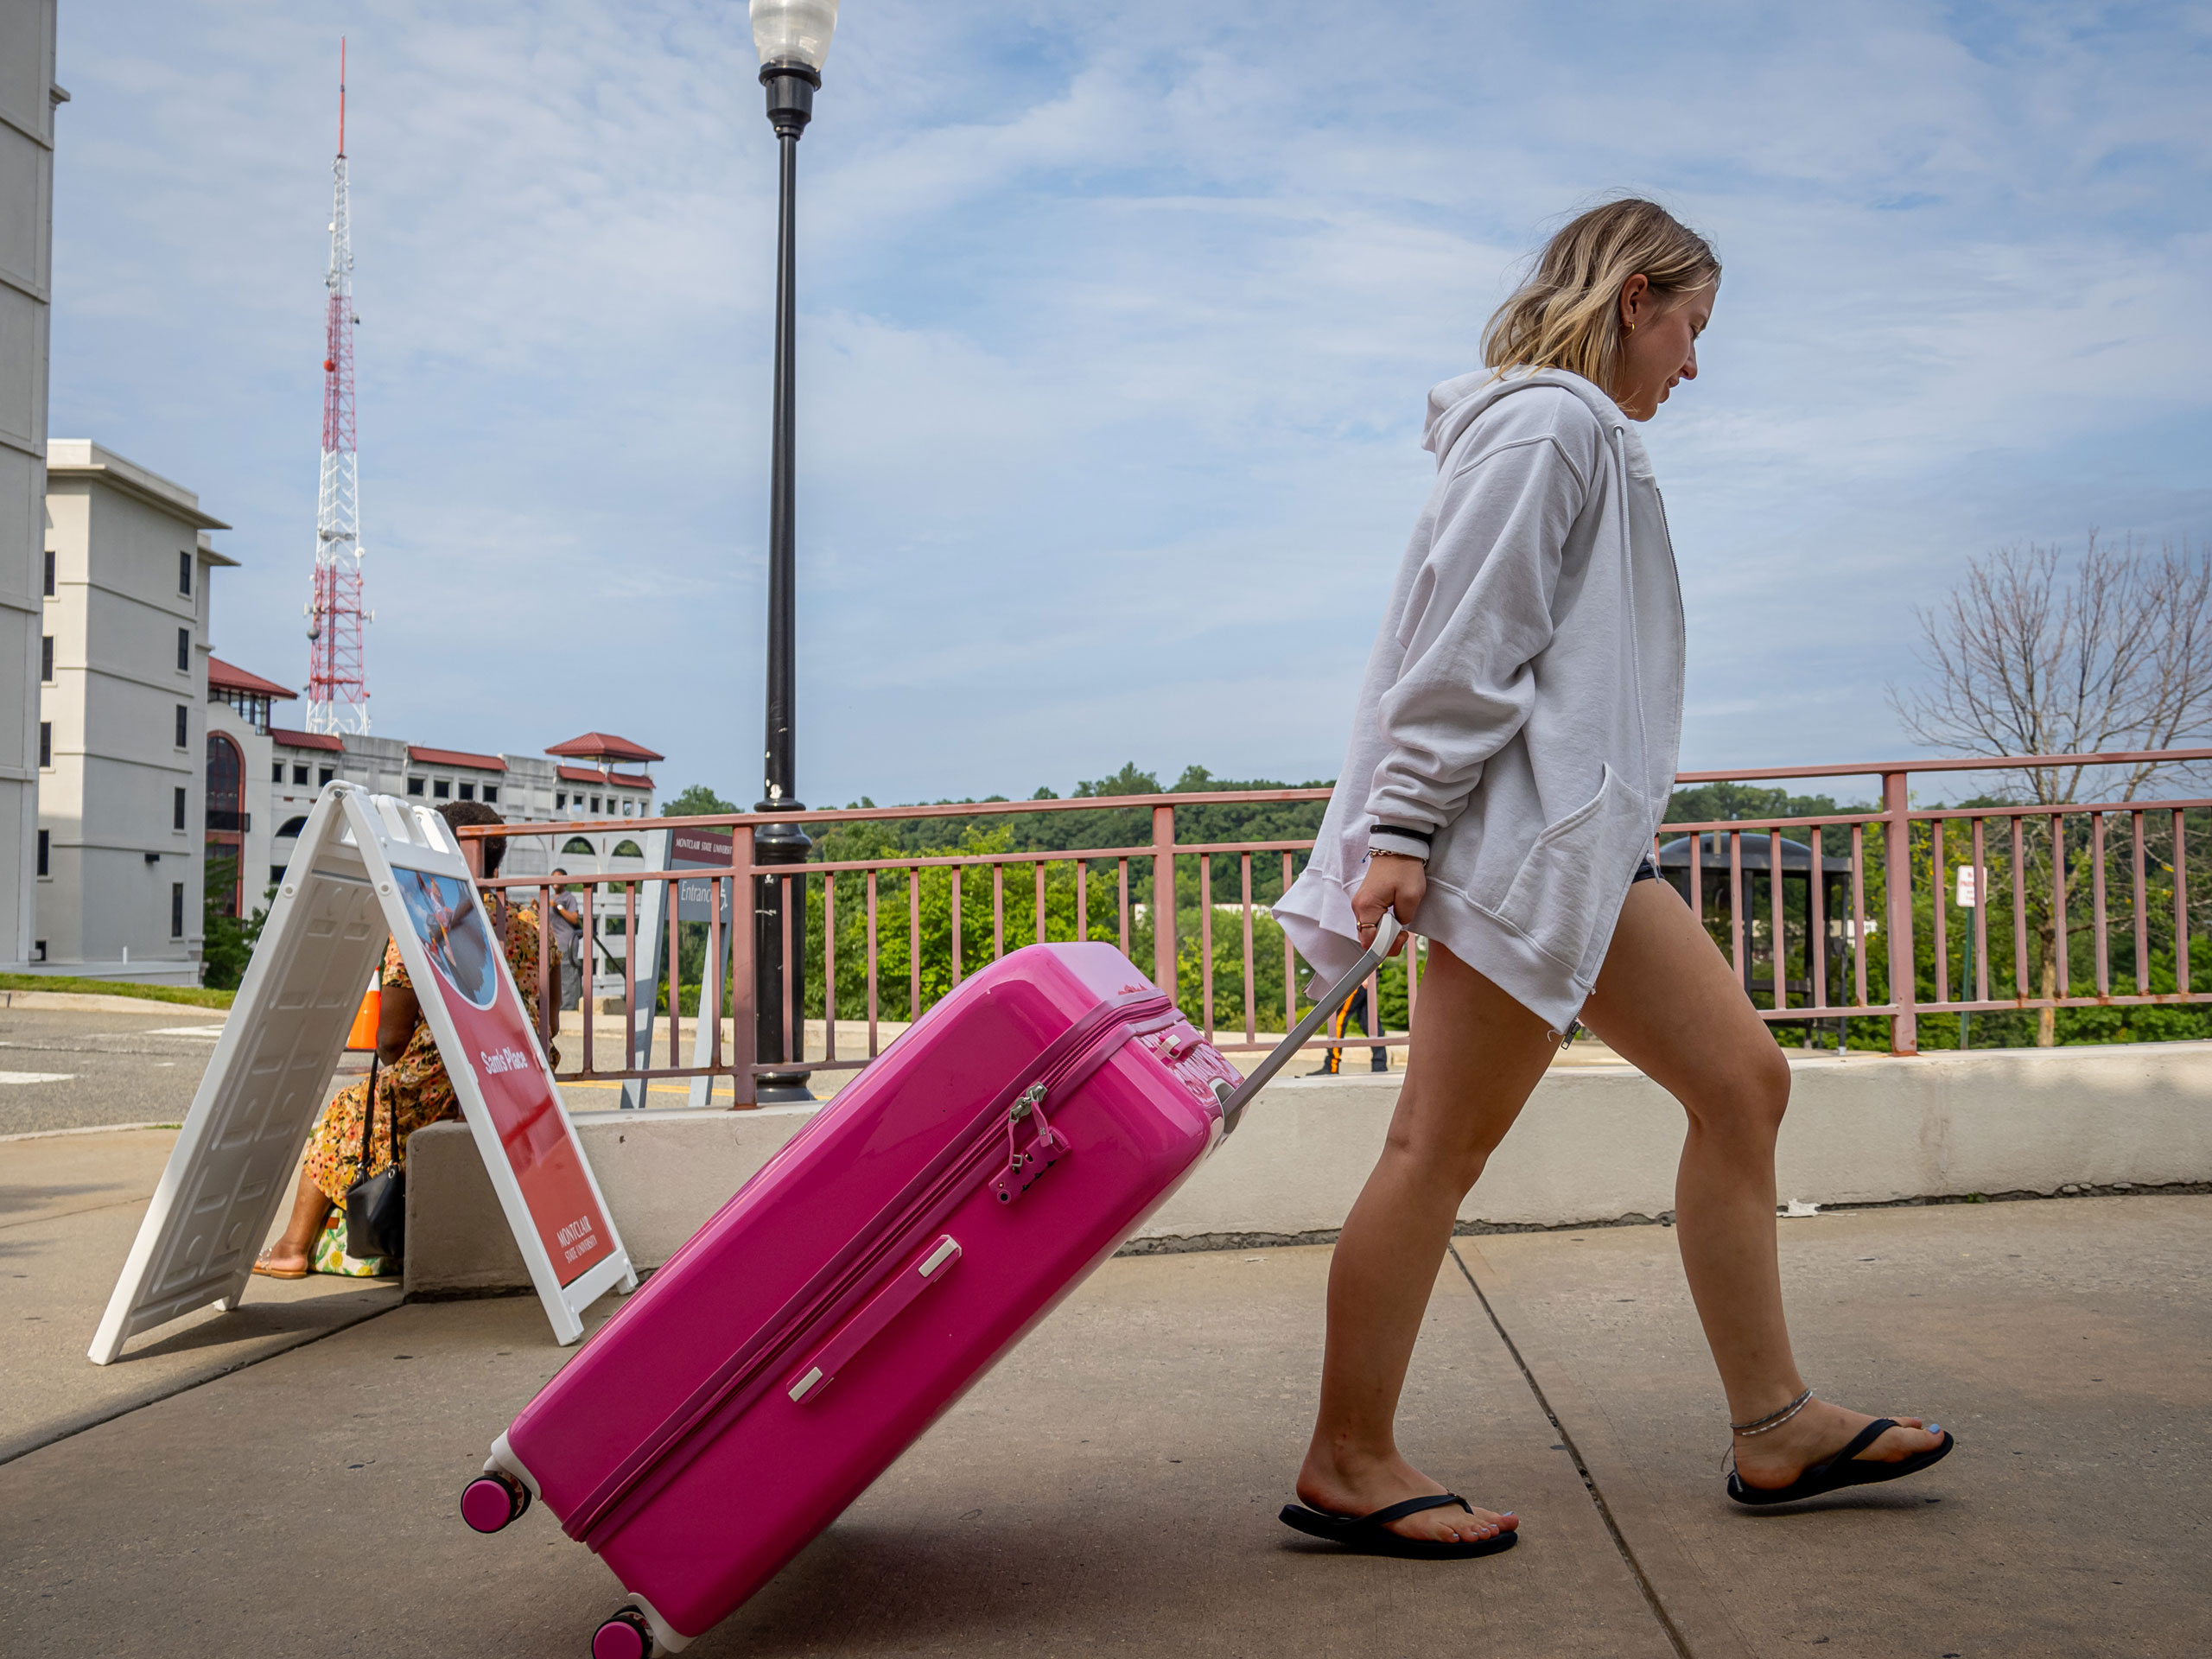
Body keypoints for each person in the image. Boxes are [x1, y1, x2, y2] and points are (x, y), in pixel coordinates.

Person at [1271, 200, 1951, 1555]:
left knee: (1743, 1080)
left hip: (1586, 845)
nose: (1694, 366)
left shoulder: (1573, 436)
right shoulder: (1549, 425)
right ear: (1636, 297)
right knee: (1437, 1147)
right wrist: (1402, 830)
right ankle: (1348, 1457)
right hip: (1510, 839)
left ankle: (1775, 1424)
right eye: (1692, 328)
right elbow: (1470, 643)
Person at [252, 803, 553, 1277]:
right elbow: (548, 1024)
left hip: (443, 1087)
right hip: (514, 1086)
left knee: (348, 1110)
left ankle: (292, 1245)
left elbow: (391, 1040)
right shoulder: (533, 930)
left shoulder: (425, 928)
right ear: (497, 857)